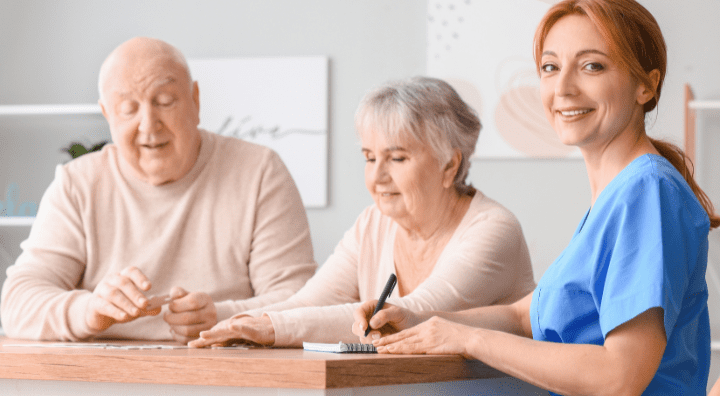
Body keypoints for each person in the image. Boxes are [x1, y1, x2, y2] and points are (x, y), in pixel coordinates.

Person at [353, 0, 719, 395]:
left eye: (591, 66)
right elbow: (524, 317)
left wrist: (467, 339)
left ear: (646, 86)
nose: (562, 87)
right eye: (550, 67)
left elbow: (621, 376)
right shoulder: (616, 198)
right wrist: (419, 318)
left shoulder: (647, 193)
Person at [0, 37, 317, 343]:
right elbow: (17, 304)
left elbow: (299, 301)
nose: (149, 124)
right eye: (128, 109)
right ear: (107, 114)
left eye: (165, 102)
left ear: (195, 100)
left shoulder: (259, 172)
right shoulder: (77, 183)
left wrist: (222, 317)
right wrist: (89, 311)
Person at [188, 77, 536, 348]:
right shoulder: (373, 223)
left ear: (449, 164)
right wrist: (221, 319)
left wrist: (271, 327)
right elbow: (309, 302)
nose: (377, 176)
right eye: (370, 157)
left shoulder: (494, 229)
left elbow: (408, 315)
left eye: (397, 158)